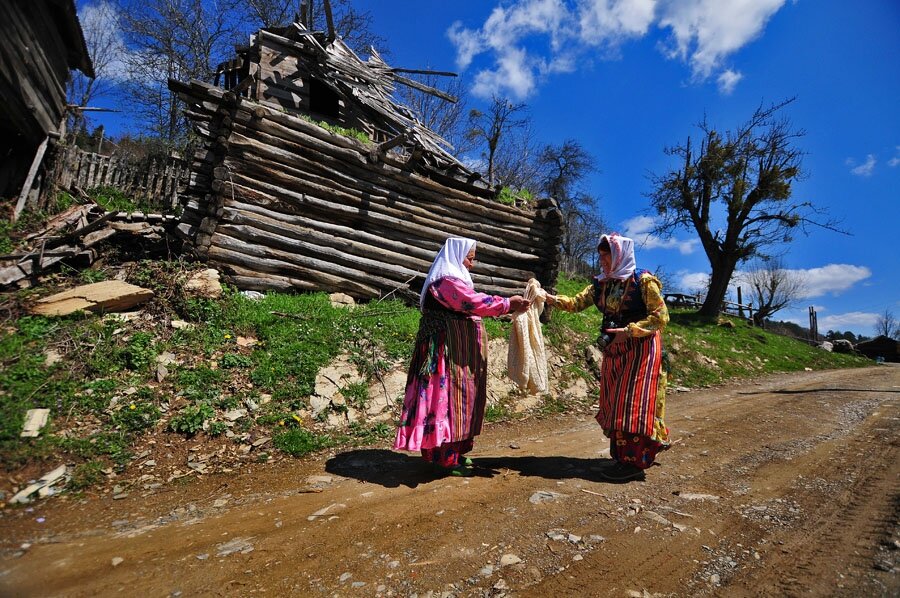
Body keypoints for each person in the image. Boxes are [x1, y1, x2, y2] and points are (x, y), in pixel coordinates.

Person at [394, 237, 530, 476]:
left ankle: (454, 453)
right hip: (443, 355)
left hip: (457, 353)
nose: (472, 264)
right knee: (443, 399)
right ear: (457, 255)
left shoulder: (454, 279)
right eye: (470, 258)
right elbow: (470, 302)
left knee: (459, 399)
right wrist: (507, 304)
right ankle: (444, 457)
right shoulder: (445, 282)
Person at [546, 233, 670, 482]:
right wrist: (548, 298)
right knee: (615, 401)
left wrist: (630, 331)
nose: (602, 260)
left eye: (607, 255)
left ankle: (634, 462)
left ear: (619, 255)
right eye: (601, 255)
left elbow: (661, 316)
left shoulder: (643, 281)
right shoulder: (603, 283)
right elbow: (575, 303)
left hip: (641, 350)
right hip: (616, 350)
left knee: (633, 403)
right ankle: (622, 457)